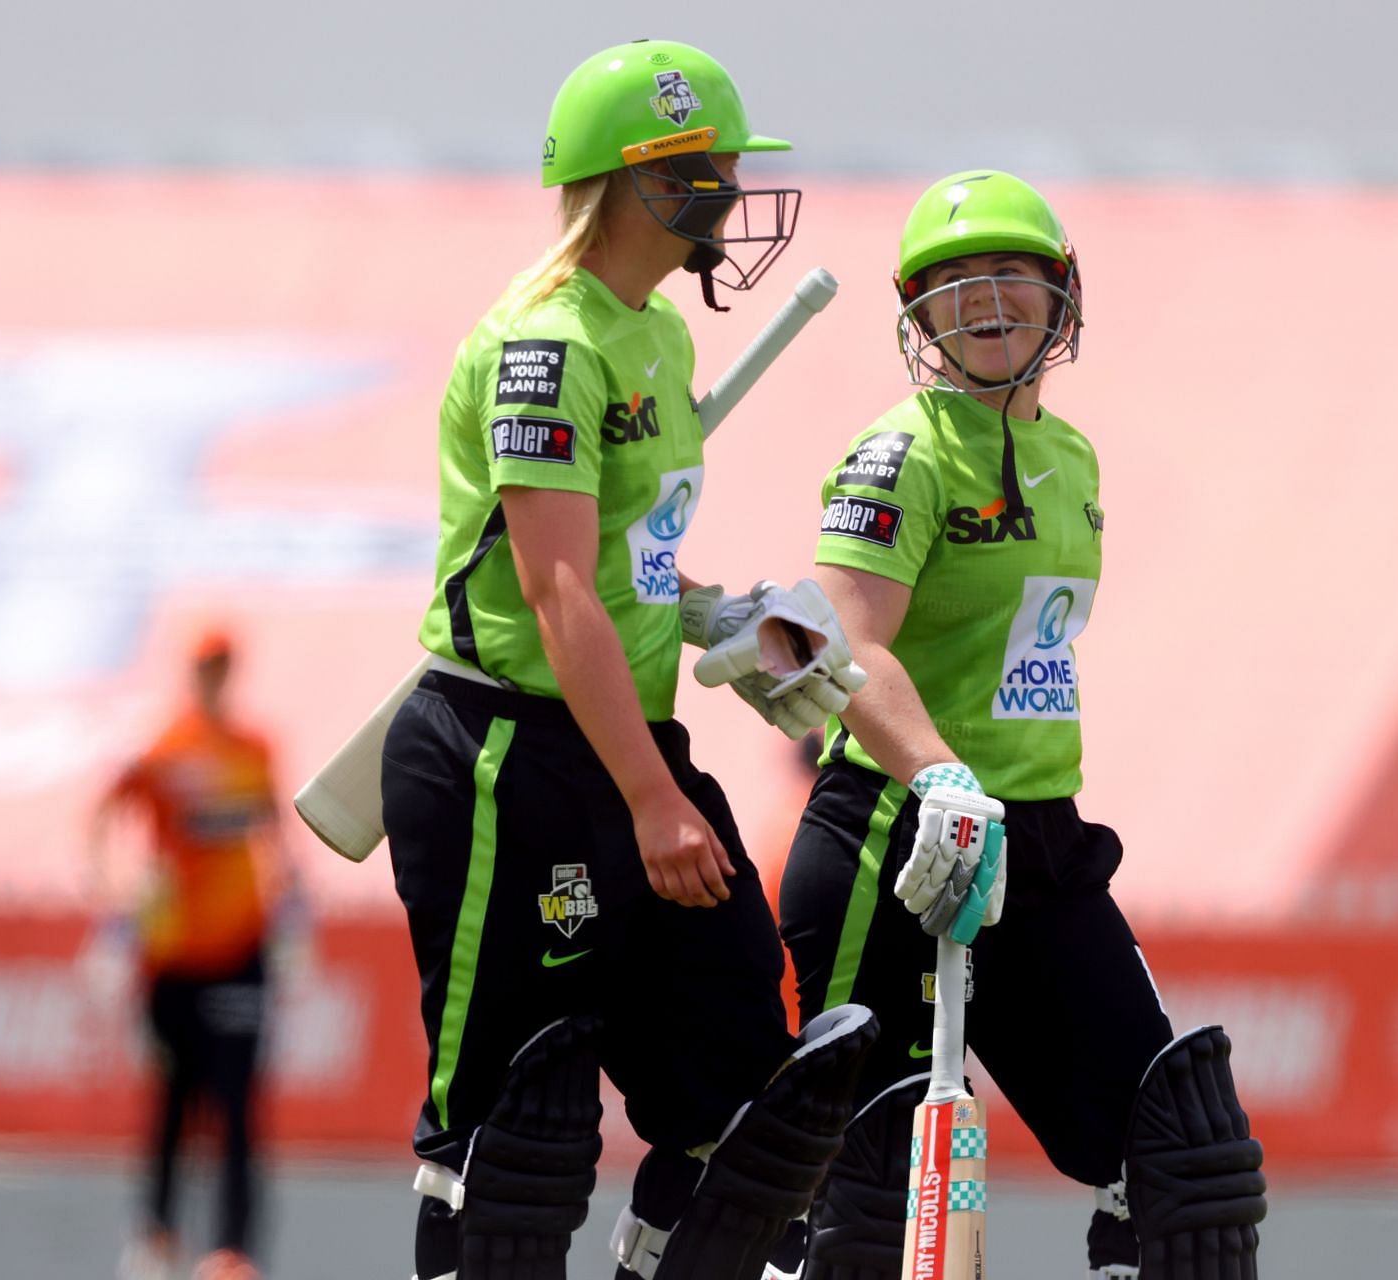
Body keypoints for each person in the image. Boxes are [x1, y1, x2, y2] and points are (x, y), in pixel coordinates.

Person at [380, 39, 876, 1280]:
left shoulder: (656, 338)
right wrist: (655, 799)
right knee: (513, 1130)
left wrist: (739, 620)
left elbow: (629, 572)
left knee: (748, 1098)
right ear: (637, 180)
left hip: (624, 737)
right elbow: (555, 592)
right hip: (507, 752)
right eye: (707, 169)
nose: (729, 191)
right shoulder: (545, 344)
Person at [776, 171, 1268, 1279]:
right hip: (897, 835)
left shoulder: (1078, 459)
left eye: (1011, 276)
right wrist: (946, 778)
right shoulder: (897, 454)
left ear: (1063, 298)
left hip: (1038, 839)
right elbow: (842, 642)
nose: (986, 302)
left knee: (1187, 1161)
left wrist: (996, 798)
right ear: (917, 316)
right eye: (954, 285)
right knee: (870, 1204)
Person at [90, 627, 299, 1280]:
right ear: (192, 671)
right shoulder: (162, 747)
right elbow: (103, 813)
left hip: (241, 948)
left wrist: (293, 910)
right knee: (174, 1104)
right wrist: (118, 897)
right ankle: (155, 1237)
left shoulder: (255, 748)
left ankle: (232, 1251)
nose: (215, 676)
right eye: (206, 666)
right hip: (173, 958)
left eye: (223, 666)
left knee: (238, 1107)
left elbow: (274, 836)